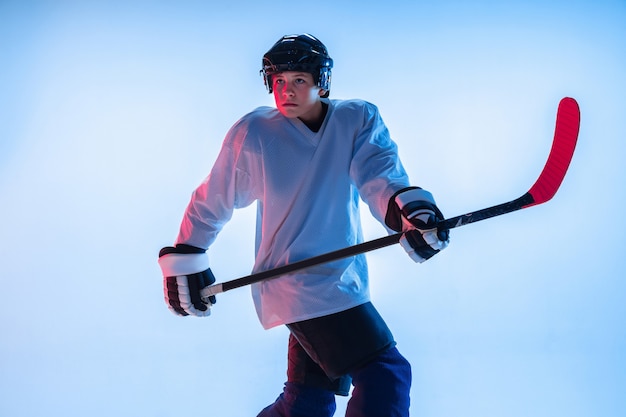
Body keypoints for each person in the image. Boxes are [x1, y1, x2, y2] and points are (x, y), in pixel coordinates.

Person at [158, 33, 450, 417]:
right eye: (279, 81)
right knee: (385, 374)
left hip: (341, 279)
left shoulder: (357, 119)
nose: (287, 91)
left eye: (299, 80)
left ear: (321, 82)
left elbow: (379, 175)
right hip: (295, 283)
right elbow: (215, 195)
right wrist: (189, 254)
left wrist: (410, 213)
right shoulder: (256, 133)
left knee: (307, 401)